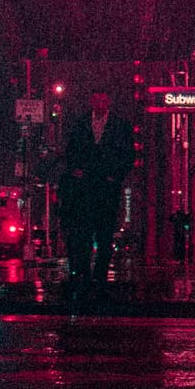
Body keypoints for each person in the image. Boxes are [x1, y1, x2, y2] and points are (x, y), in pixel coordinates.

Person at [61, 89, 134, 296]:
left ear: (108, 101)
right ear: (92, 101)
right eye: (97, 100)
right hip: (84, 188)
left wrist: (115, 176)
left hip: (107, 188)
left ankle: (99, 275)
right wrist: (76, 171)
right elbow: (71, 150)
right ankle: (84, 273)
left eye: (104, 99)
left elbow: (128, 154)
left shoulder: (120, 126)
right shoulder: (81, 124)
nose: (100, 104)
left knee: (105, 233)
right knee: (84, 232)